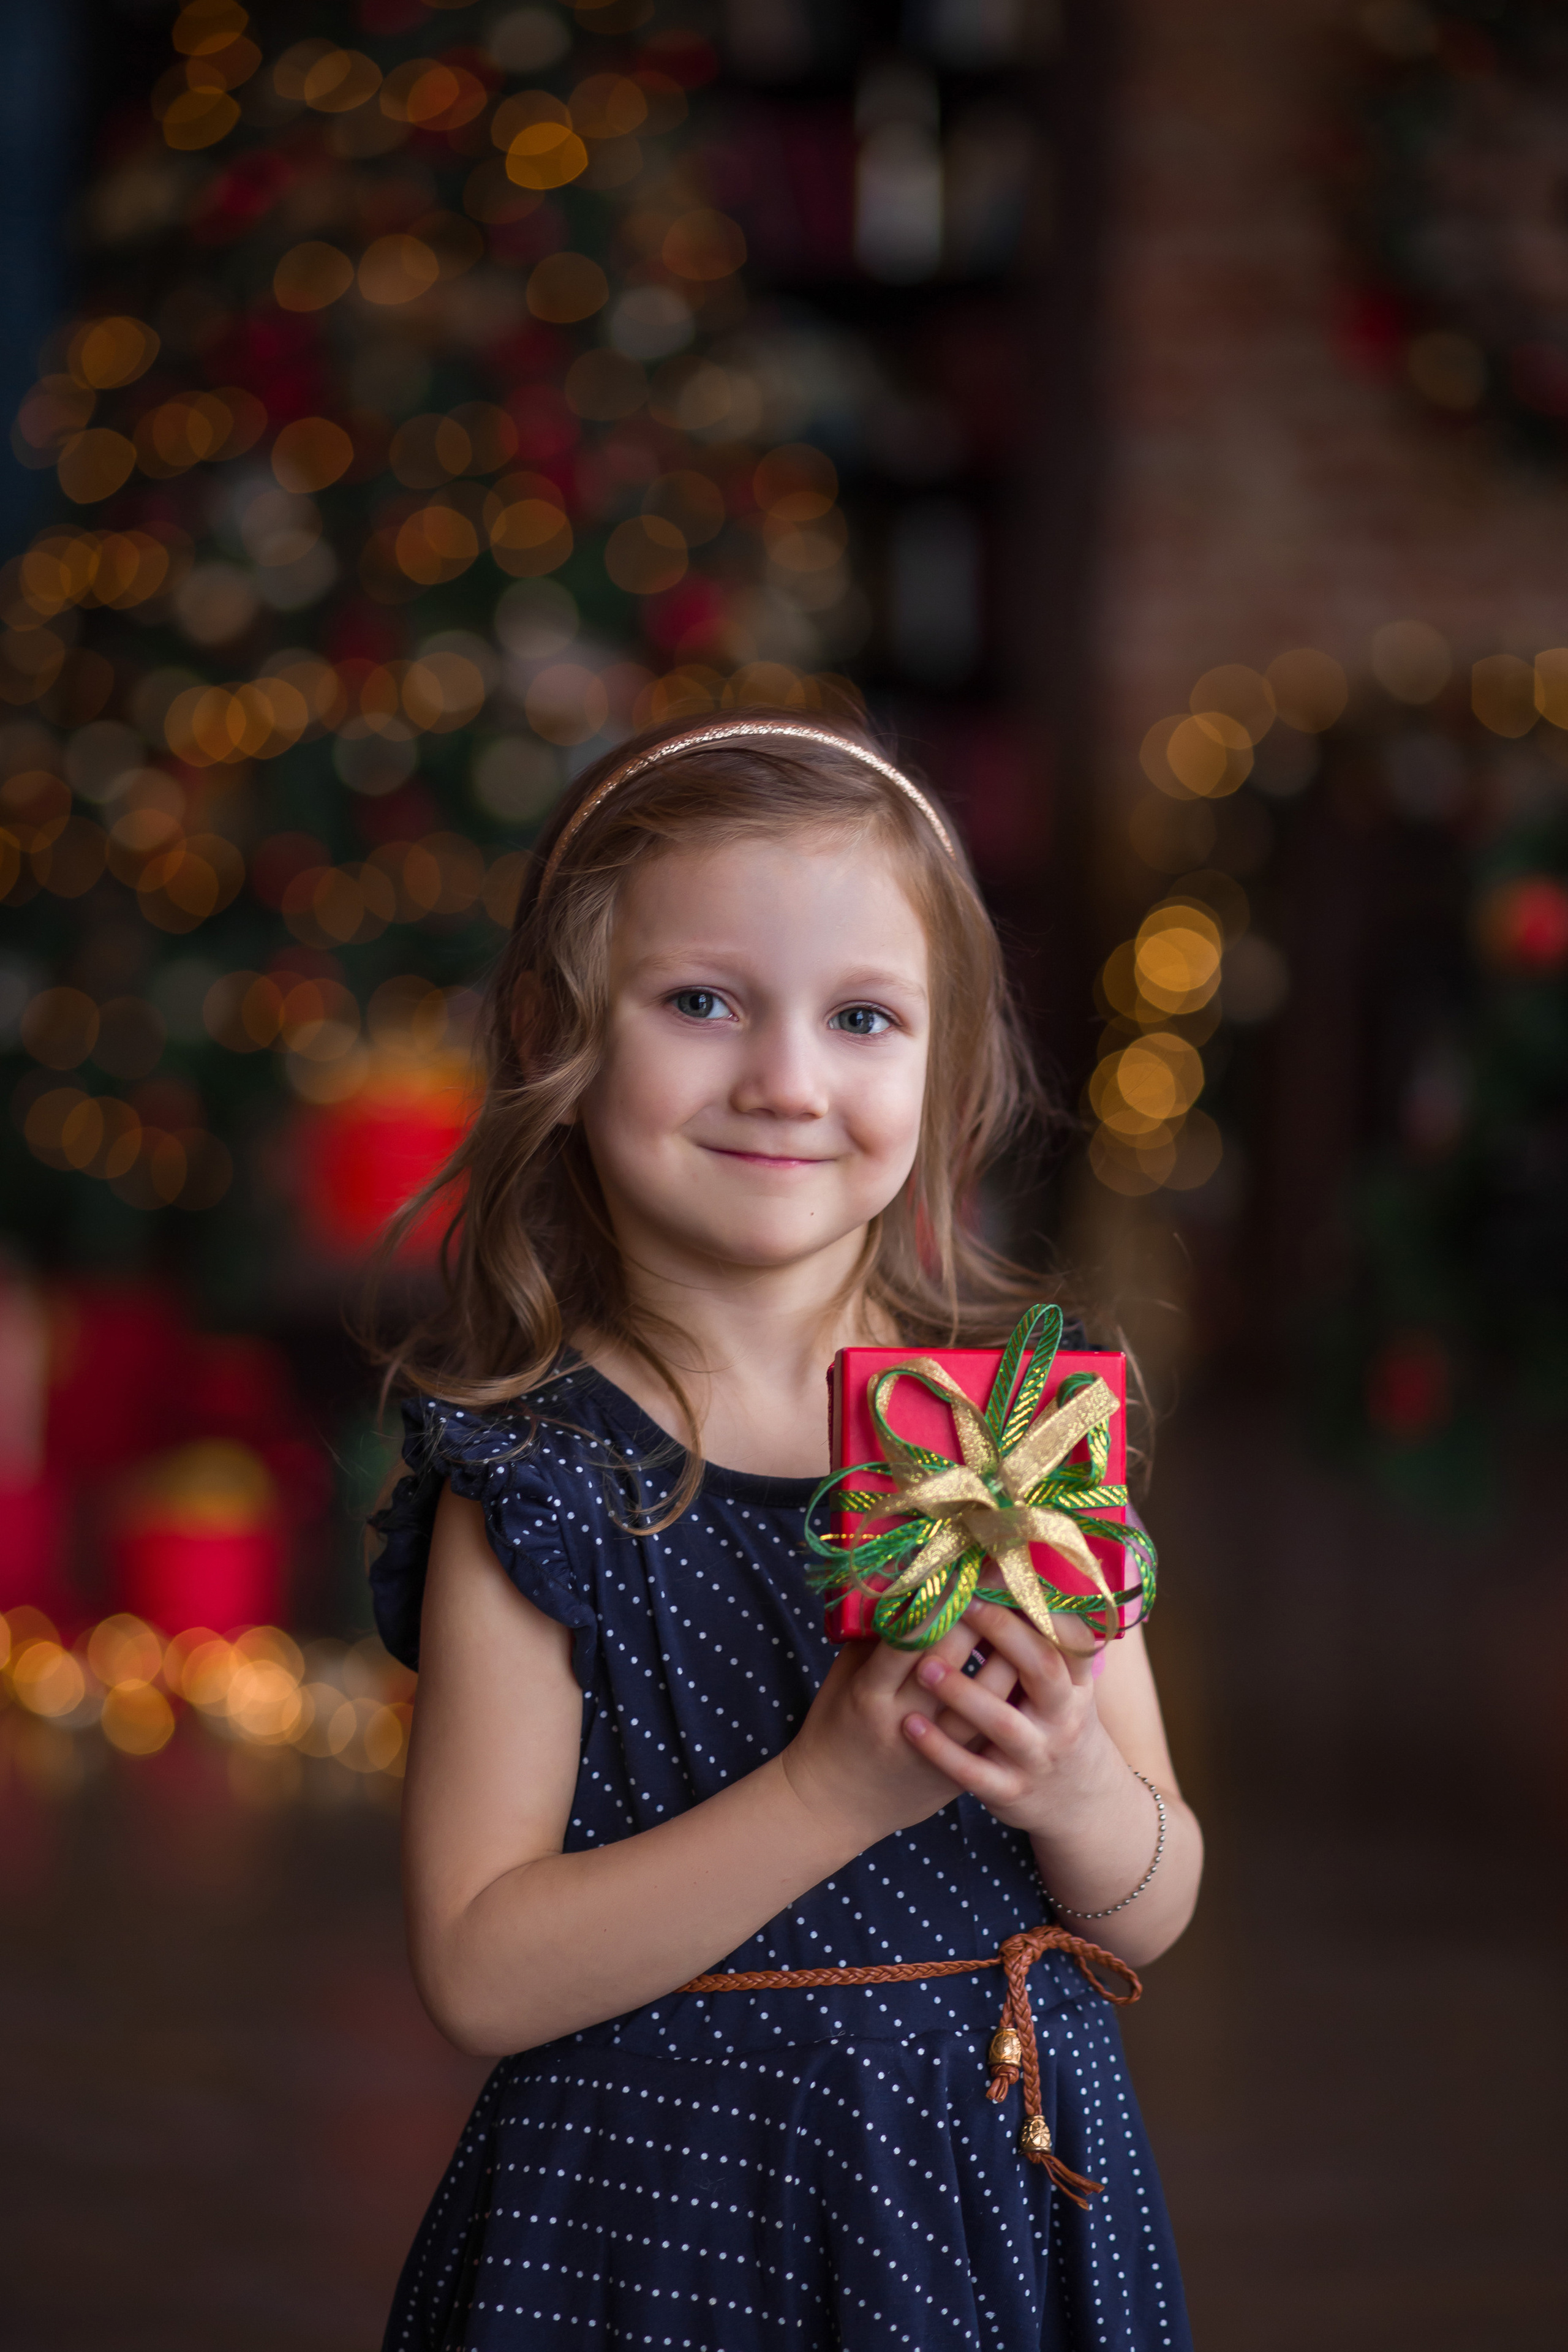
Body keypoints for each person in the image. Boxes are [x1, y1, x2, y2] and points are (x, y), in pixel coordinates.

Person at [368, 713, 1203, 2351]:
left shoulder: (1011, 1434)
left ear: (943, 1066)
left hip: (983, 2192)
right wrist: (837, 1789)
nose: (786, 1080)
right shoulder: (542, 1481)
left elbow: (1157, 1897)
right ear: (563, 1035)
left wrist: (1079, 1788)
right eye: (702, 1002)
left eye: (865, 1017)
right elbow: (476, 1967)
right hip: (654, 2225)